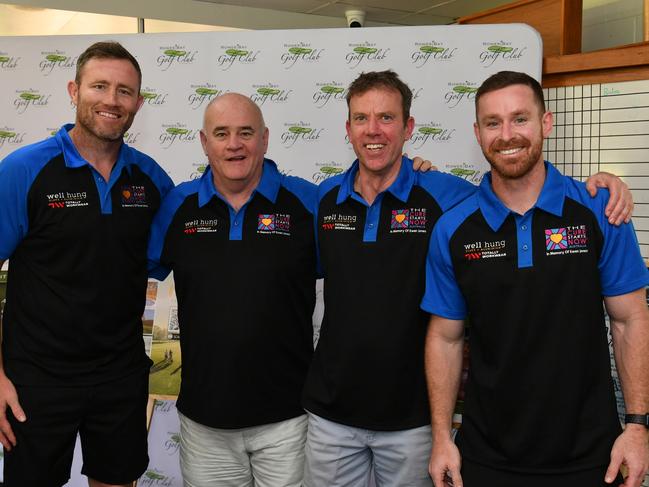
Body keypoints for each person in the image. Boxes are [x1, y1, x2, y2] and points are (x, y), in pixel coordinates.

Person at [301, 69, 636, 487]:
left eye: (387, 118)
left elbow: (629, 319)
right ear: (346, 128)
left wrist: (605, 184)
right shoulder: (323, 200)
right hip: (343, 418)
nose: (373, 130)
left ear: (408, 129)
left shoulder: (447, 197)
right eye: (361, 119)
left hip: (419, 421)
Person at [422, 70, 649, 487]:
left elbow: (630, 319)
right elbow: (445, 338)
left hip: (592, 455)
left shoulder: (601, 212)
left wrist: (636, 426)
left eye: (520, 118)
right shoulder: (453, 229)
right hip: (487, 457)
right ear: (478, 132)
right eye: (493, 123)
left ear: (546, 123)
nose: (507, 135)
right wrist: (440, 437)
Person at [0, 42, 174, 487]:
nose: (112, 100)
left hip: (120, 376)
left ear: (138, 102)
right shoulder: (24, 169)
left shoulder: (152, 180)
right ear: (74, 90)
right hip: (35, 381)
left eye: (124, 90)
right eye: (99, 86)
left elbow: (176, 261)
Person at [147, 93, 318, 487]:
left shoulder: (308, 202)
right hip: (204, 424)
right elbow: (122, 271)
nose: (234, 144)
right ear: (205, 142)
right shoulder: (177, 205)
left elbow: (367, 225)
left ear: (265, 139)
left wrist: (414, 173)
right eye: (221, 133)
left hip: (289, 422)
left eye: (246, 132)